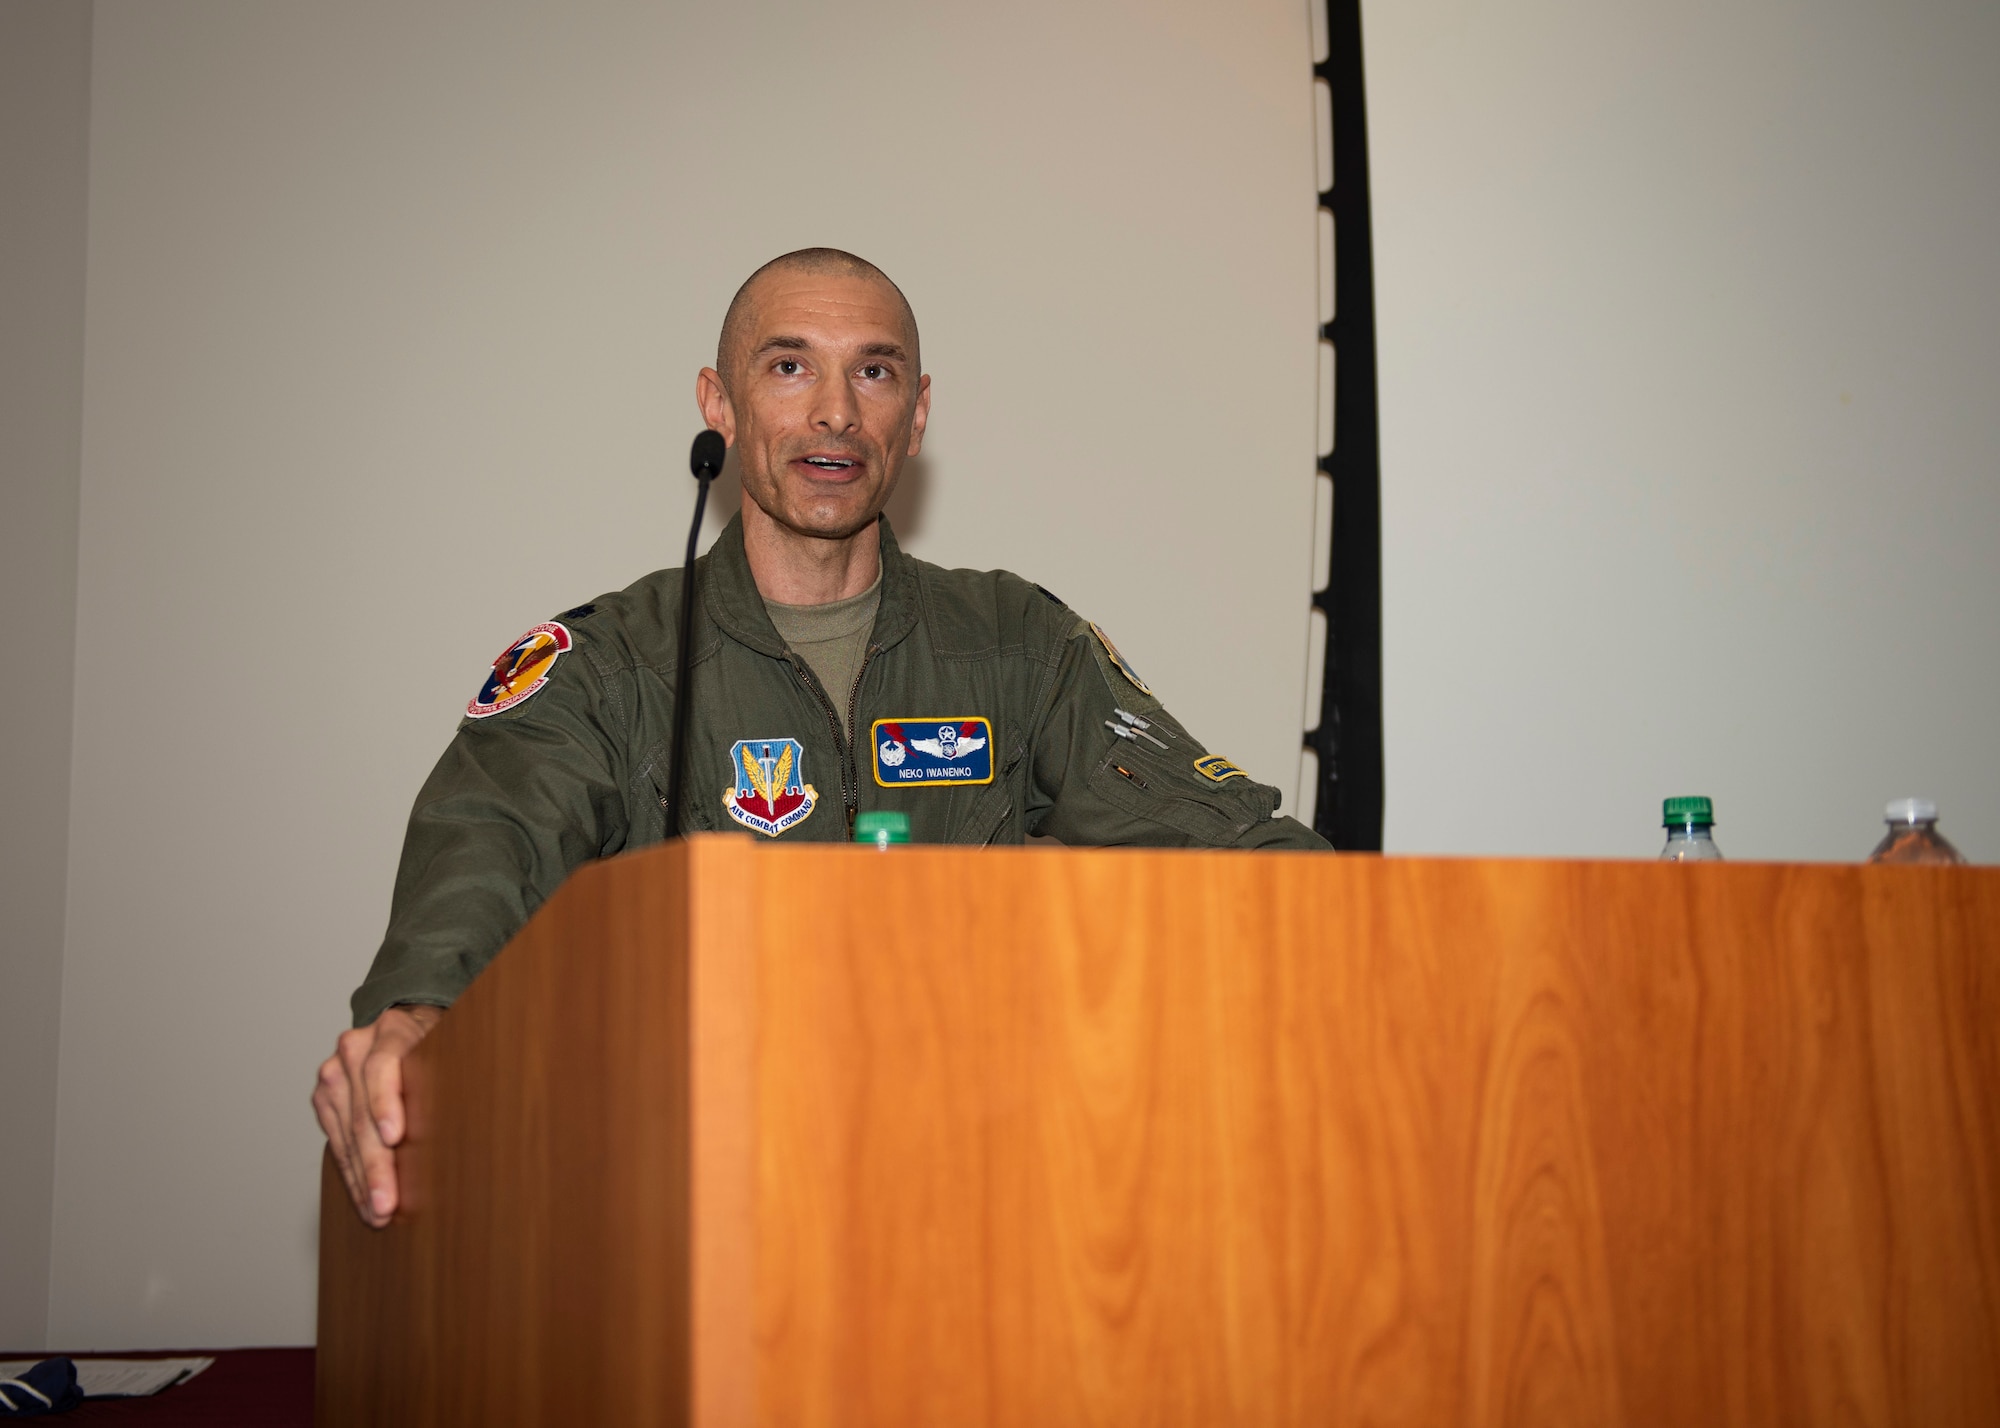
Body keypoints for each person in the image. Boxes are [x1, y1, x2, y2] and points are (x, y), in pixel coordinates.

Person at [313, 248, 1329, 1226]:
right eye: (789, 366)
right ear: (719, 404)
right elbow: (484, 853)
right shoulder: (604, 666)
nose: (835, 412)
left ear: (916, 414)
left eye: (874, 372)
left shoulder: (1016, 644)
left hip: (979, 1199)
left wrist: (1356, 932)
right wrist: (416, 1015)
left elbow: (1239, 857)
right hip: (686, 1206)